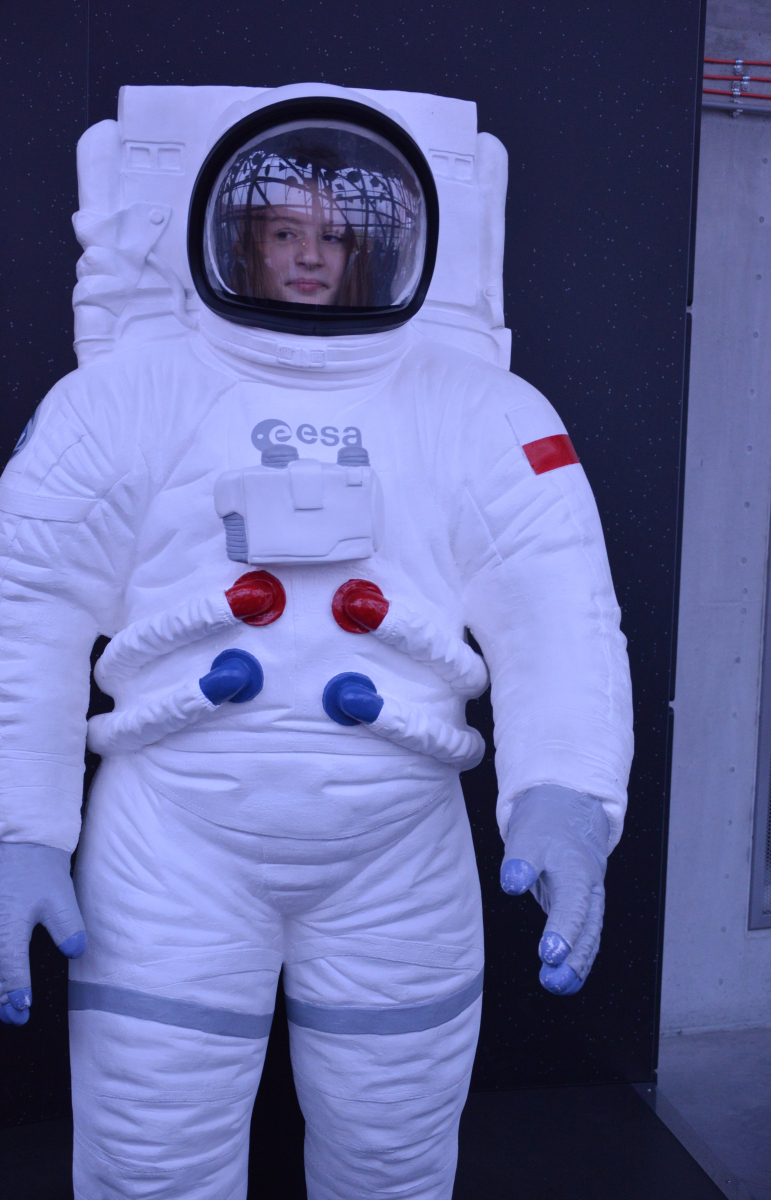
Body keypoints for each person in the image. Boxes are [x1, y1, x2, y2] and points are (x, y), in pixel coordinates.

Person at [0, 84, 633, 1200]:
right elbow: (26, 608)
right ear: (232, 236)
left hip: (395, 849)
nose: (307, 256)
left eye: (335, 237)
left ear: (378, 249)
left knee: (392, 1159)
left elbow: (560, 611)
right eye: (282, 230)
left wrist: (567, 795)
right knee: (150, 1159)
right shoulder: (118, 401)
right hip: (173, 843)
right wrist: (18, 830)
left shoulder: (486, 413)